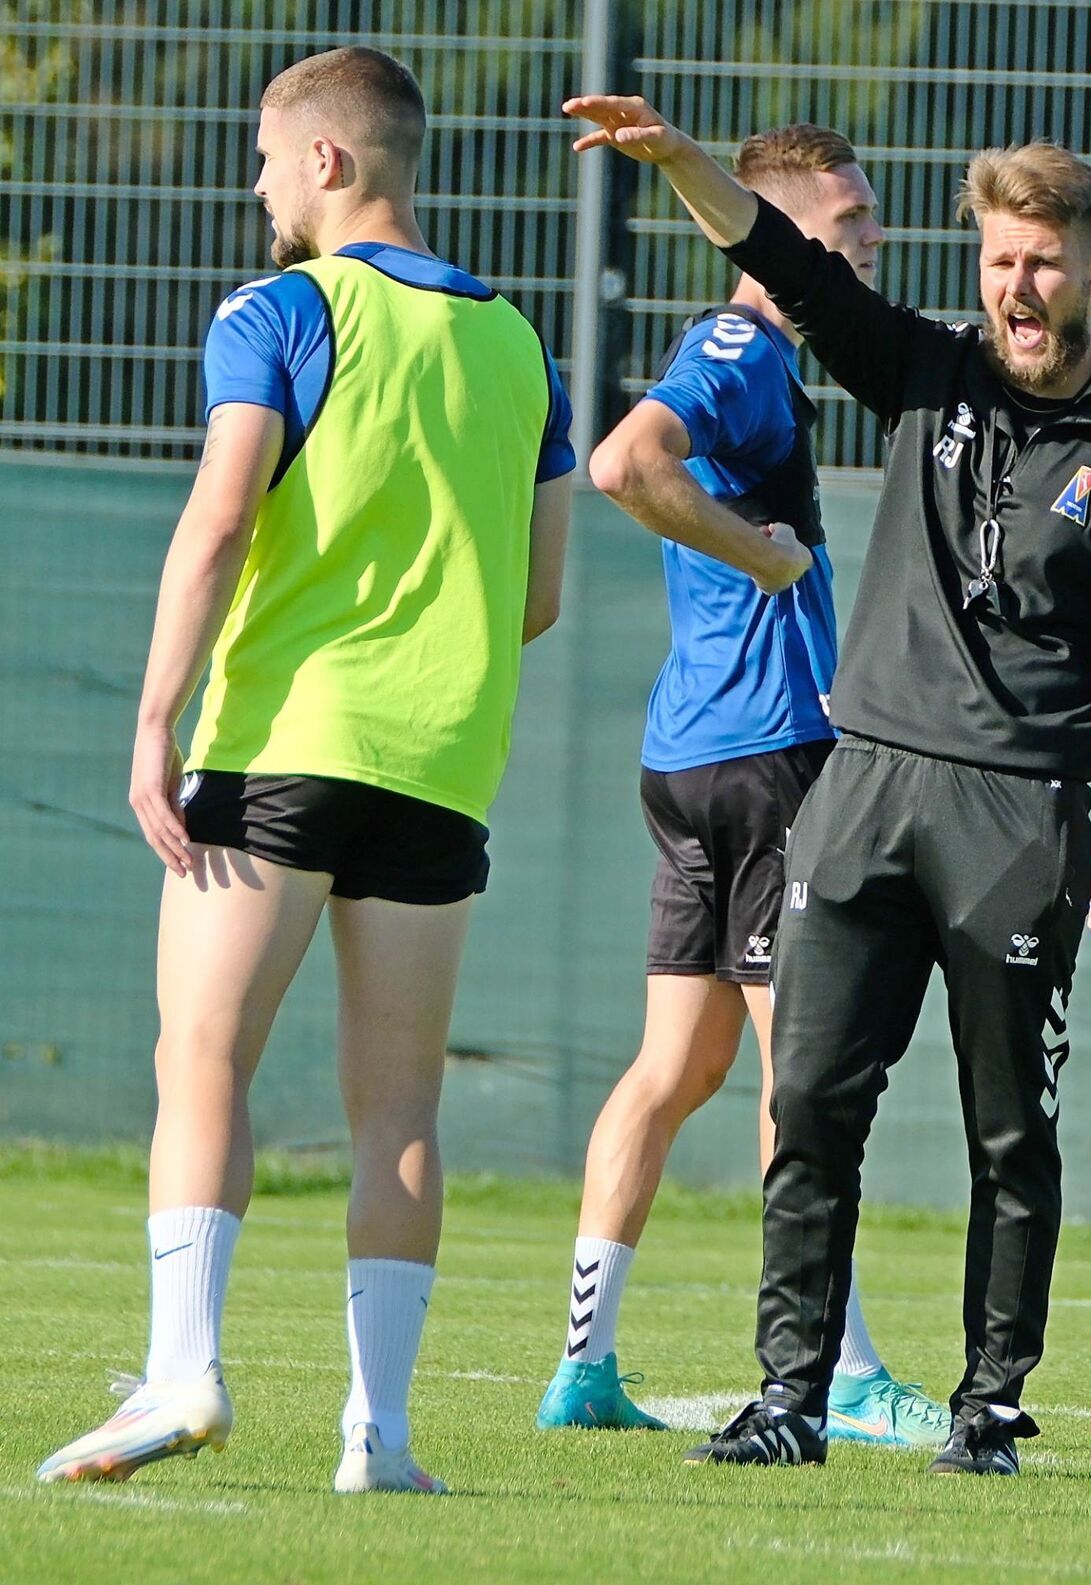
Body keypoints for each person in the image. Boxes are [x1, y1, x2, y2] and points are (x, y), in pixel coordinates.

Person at [562, 95, 1091, 1476]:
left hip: (1018, 814)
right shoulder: (921, 368)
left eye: (1043, 261)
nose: (1017, 287)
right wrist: (676, 156)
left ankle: (990, 1404)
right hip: (861, 791)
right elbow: (789, 264)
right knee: (810, 1103)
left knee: (1007, 1129)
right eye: (998, 259)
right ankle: (791, 1393)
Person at [37, 46, 574, 1496]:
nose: (258, 184)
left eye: (269, 157)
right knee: (399, 1104)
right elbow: (538, 597)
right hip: (443, 763)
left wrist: (152, 724)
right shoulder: (523, 343)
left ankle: (183, 1373)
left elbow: (218, 520)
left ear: (330, 162)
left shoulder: (278, 308)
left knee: (202, 1055)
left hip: (280, 746)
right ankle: (380, 1439)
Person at [536, 124, 948, 1450]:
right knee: (803, 1070)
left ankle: (583, 1368)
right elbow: (620, 465)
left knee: (678, 1063)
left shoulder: (773, 363)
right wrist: (759, 556)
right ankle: (845, 1366)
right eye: (853, 217)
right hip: (768, 758)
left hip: (695, 756)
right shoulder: (739, 350)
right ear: (775, 231)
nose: (873, 237)